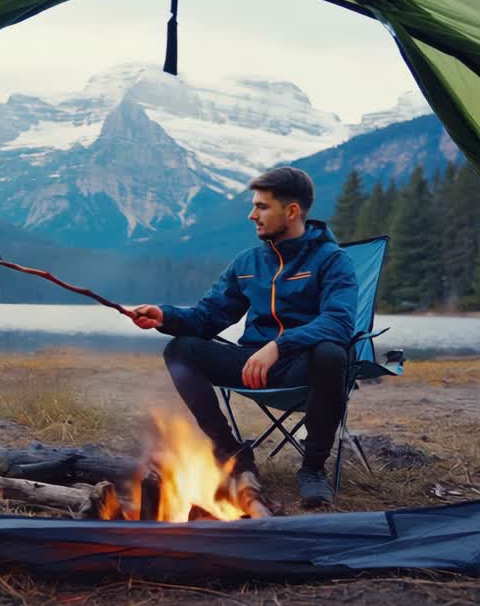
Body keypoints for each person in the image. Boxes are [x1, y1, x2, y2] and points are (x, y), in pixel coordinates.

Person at [130, 166, 358, 507]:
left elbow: (339, 322)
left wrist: (279, 346)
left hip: (304, 366)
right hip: (252, 363)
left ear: (292, 211)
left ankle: (312, 470)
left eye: (262, 207)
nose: (252, 215)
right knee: (181, 349)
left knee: (333, 353)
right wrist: (166, 316)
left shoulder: (332, 260)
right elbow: (207, 318)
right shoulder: (247, 263)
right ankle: (231, 452)